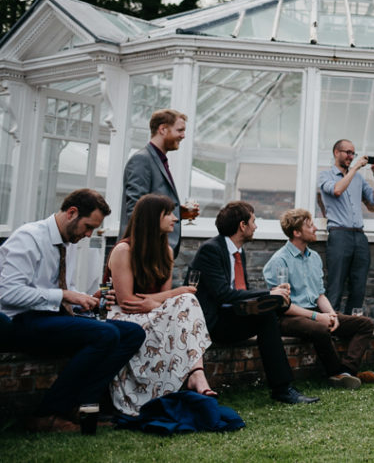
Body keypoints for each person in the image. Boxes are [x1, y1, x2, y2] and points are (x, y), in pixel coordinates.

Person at [0, 189, 145, 432]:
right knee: (105, 334)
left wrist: (88, 300)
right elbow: (7, 293)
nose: (89, 234)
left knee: (132, 333)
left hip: (55, 318)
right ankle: (46, 414)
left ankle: (81, 406)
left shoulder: (70, 242)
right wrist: (65, 295)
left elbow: (65, 290)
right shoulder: (28, 238)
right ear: (72, 213)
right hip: (21, 322)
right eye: (88, 227)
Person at [188, 201, 318, 405]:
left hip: (232, 316)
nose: (256, 227)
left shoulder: (239, 252)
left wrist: (273, 299)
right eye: (253, 222)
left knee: (268, 314)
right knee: (267, 314)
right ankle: (282, 388)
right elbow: (223, 294)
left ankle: (282, 389)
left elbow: (242, 294)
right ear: (242, 225)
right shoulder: (211, 250)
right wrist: (269, 292)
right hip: (211, 324)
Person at [105, 194, 214, 415]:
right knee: (186, 298)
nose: (175, 219)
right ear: (153, 218)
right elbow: (127, 301)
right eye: (169, 214)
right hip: (125, 315)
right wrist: (177, 292)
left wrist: (157, 301)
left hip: (150, 311)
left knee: (186, 301)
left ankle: (196, 373)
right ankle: (196, 375)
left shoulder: (167, 251)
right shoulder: (123, 250)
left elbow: (163, 300)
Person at [263, 208, 374, 390]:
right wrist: (318, 318)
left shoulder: (314, 257)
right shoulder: (279, 260)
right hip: (288, 317)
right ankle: (335, 373)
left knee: (365, 324)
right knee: (320, 327)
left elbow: (319, 295)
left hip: (314, 313)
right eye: (310, 226)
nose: (315, 228)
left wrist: (331, 315)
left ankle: (347, 372)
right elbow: (283, 306)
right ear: (296, 232)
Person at [318, 139, 374, 314]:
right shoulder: (325, 176)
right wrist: (355, 168)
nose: (351, 156)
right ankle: (330, 327)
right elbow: (337, 190)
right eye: (347, 152)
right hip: (339, 234)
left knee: (359, 286)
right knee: (336, 285)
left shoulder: (358, 179)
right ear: (336, 153)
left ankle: (351, 326)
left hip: (359, 236)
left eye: (353, 153)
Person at [122, 109, 187, 258]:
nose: (183, 136)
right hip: (146, 252)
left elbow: (153, 207)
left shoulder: (159, 160)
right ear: (163, 129)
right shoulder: (142, 159)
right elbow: (136, 210)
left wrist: (178, 212)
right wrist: (150, 254)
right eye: (180, 130)